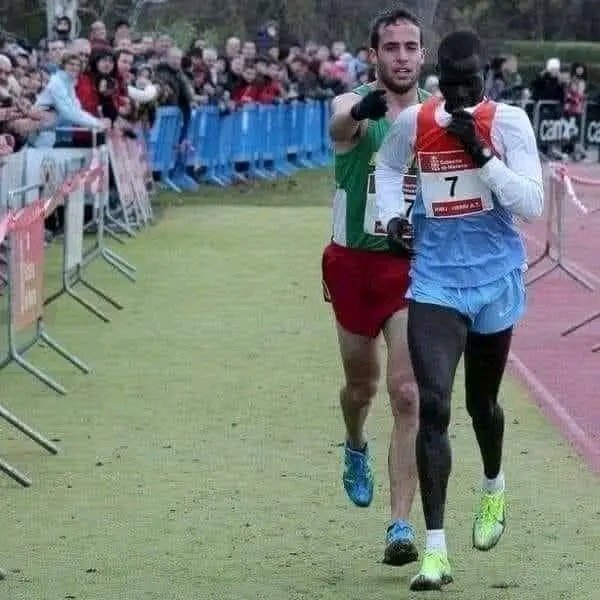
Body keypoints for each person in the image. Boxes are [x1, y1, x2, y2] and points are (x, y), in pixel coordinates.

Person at [375, 30, 544, 591]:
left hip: (495, 278)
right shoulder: (415, 122)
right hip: (436, 282)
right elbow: (388, 169)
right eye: (451, 85)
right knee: (434, 406)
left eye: (470, 84)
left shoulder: (509, 122)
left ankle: (494, 487)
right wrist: (392, 219)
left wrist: (483, 155)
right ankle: (436, 551)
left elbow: (533, 203)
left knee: (482, 405)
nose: (460, 94)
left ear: (485, 78)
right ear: (437, 80)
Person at [322, 7, 429, 566]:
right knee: (360, 388)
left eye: (411, 47)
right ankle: (356, 443)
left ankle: (400, 526)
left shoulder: (436, 113)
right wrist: (364, 110)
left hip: (411, 269)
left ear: (423, 53)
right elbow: (340, 125)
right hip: (352, 266)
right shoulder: (353, 103)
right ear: (374, 54)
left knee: (407, 391)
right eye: (392, 47)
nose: (402, 57)